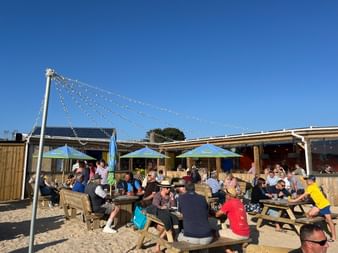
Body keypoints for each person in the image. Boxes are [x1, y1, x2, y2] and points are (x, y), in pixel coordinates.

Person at [289, 175, 336, 241]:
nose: (306, 181)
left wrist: (294, 200)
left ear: (311, 180)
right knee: (309, 214)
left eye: (308, 180)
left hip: (324, 205)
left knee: (329, 221)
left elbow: (304, 194)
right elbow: (311, 194)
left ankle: (333, 237)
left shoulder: (311, 187)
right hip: (319, 205)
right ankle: (314, 229)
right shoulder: (314, 185)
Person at [150, 180, 178, 252]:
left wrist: (172, 199)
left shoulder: (170, 195)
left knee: (172, 226)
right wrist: (162, 208)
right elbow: (155, 206)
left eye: (169, 188)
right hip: (157, 219)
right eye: (167, 188)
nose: (169, 189)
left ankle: (158, 246)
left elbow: (174, 206)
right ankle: (158, 246)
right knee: (168, 228)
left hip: (167, 216)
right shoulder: (158, 195)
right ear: (163, 188)